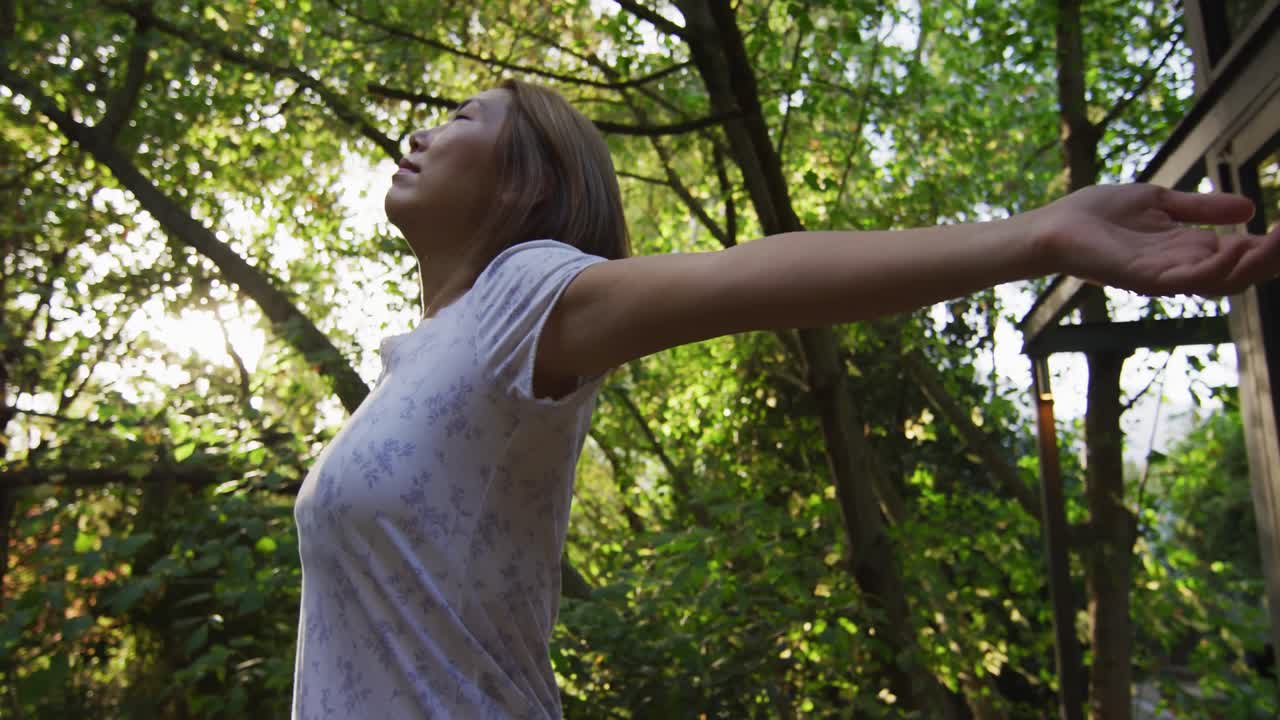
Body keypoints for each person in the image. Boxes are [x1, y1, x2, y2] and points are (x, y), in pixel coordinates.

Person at [290, 79, 1280, 719]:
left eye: (462, 119)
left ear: (527, 183)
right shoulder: (419, 362)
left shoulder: (520, 298)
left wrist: (1039, 235)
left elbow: (752, 273)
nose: (420, 130)